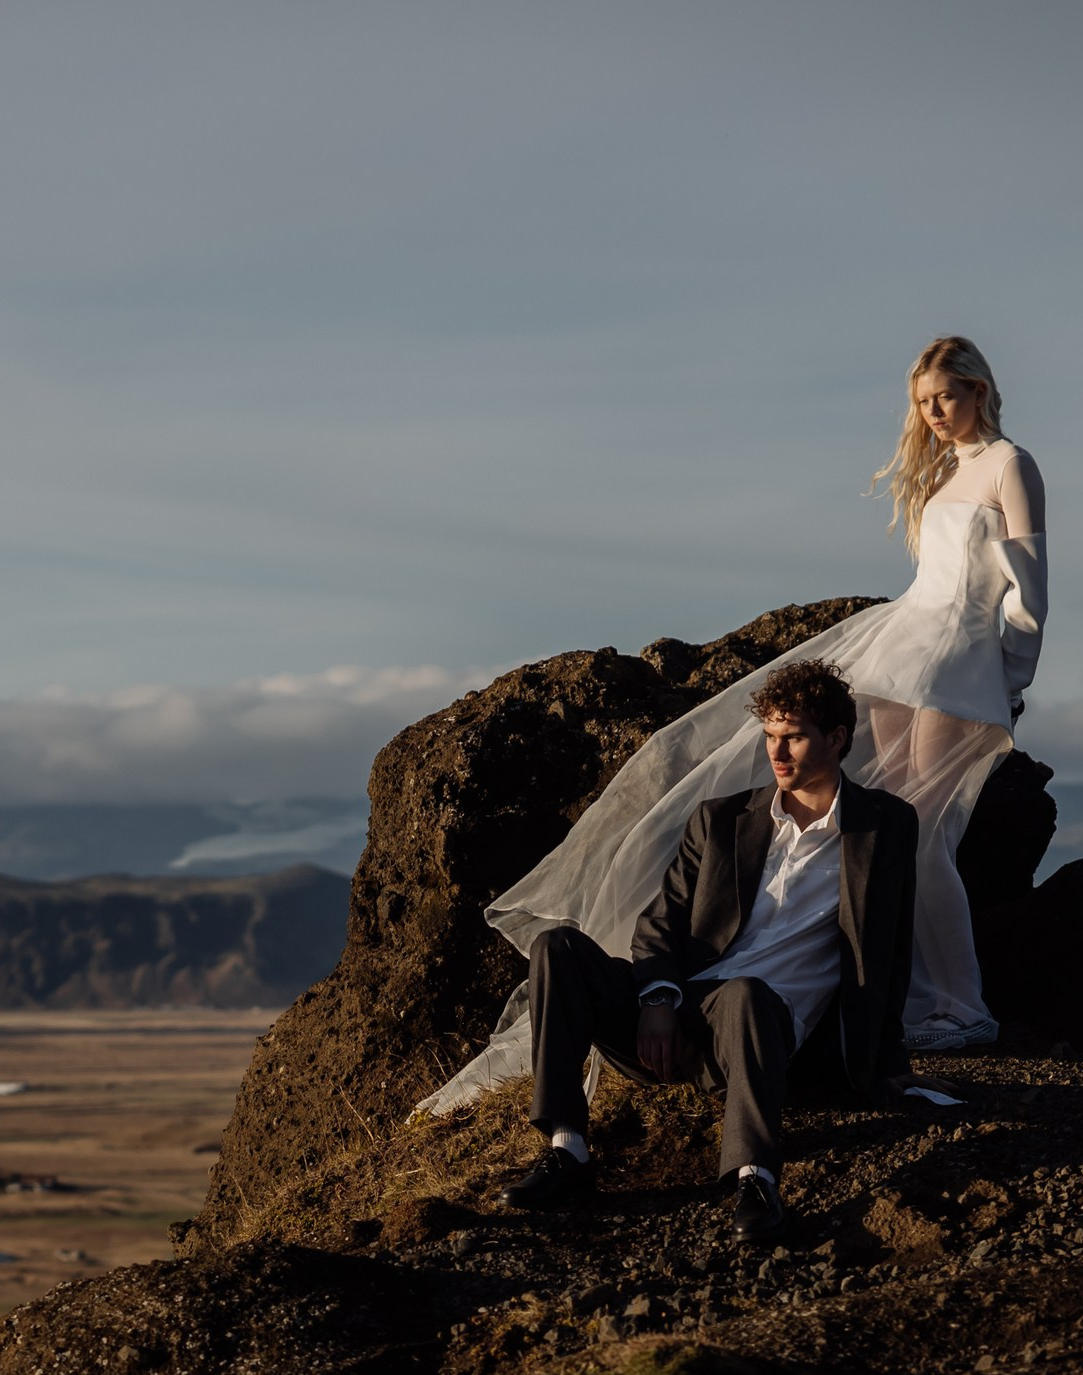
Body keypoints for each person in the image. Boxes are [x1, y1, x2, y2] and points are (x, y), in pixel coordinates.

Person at [422, 334, 1047, 1132]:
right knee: (891, 832)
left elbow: (1030, 590)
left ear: (981, 388)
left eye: (946, 397)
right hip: (904, 647)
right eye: (922, 402)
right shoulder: (945, 474)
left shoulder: (1009, 464)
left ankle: (965, 1007)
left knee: (923, 837)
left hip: (959, 661)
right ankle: (926, 1001)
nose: (932, 414)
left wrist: (1012, 676)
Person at [497, 659, 916, 1244]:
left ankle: (756, 1179)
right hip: (683, 1017)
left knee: (746, 994)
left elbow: (890, 949)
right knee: (556, 947)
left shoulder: (884, 826)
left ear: (838, 738)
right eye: (770, 736)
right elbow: (659, 926)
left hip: (760, 1032)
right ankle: (568, 1149)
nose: (778, 752)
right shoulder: (721, 821)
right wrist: (659, 999)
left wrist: (888, 1064)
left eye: (793, 736)